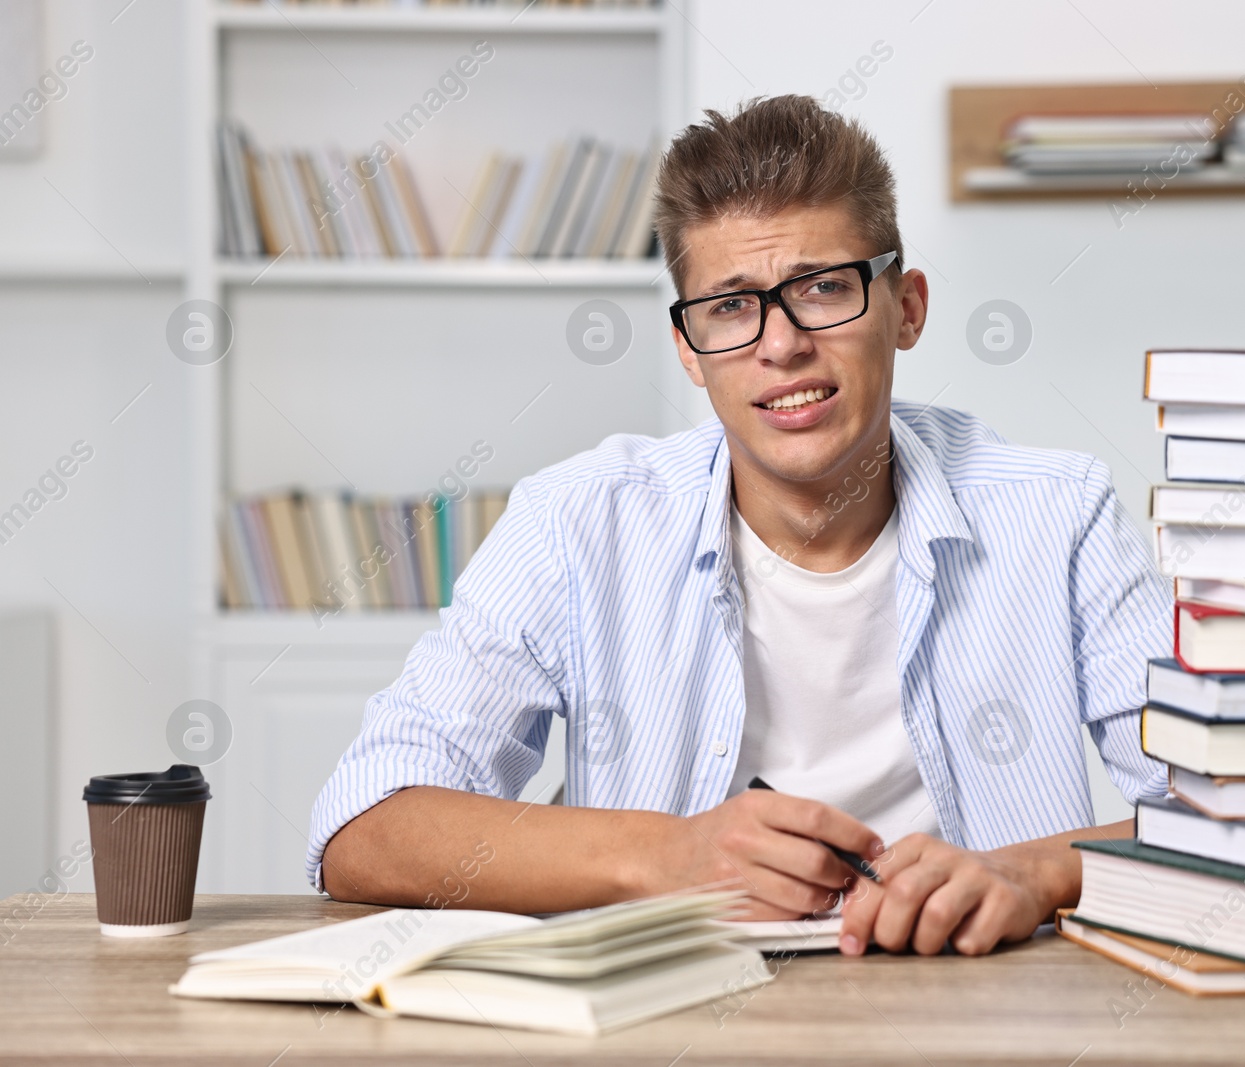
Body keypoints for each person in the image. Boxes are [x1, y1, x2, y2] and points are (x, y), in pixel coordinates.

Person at [309, 94, 1171, 957]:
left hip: (980, 1010)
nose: (782, 344)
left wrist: (1040, 871)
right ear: (689, 347)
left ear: (905, 308)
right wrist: (668, 854)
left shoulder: (1058, 514)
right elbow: (363, 827)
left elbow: (1244, 824)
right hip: (666, 1015)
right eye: (730, 307)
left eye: (824, 288)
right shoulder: (577, 522)